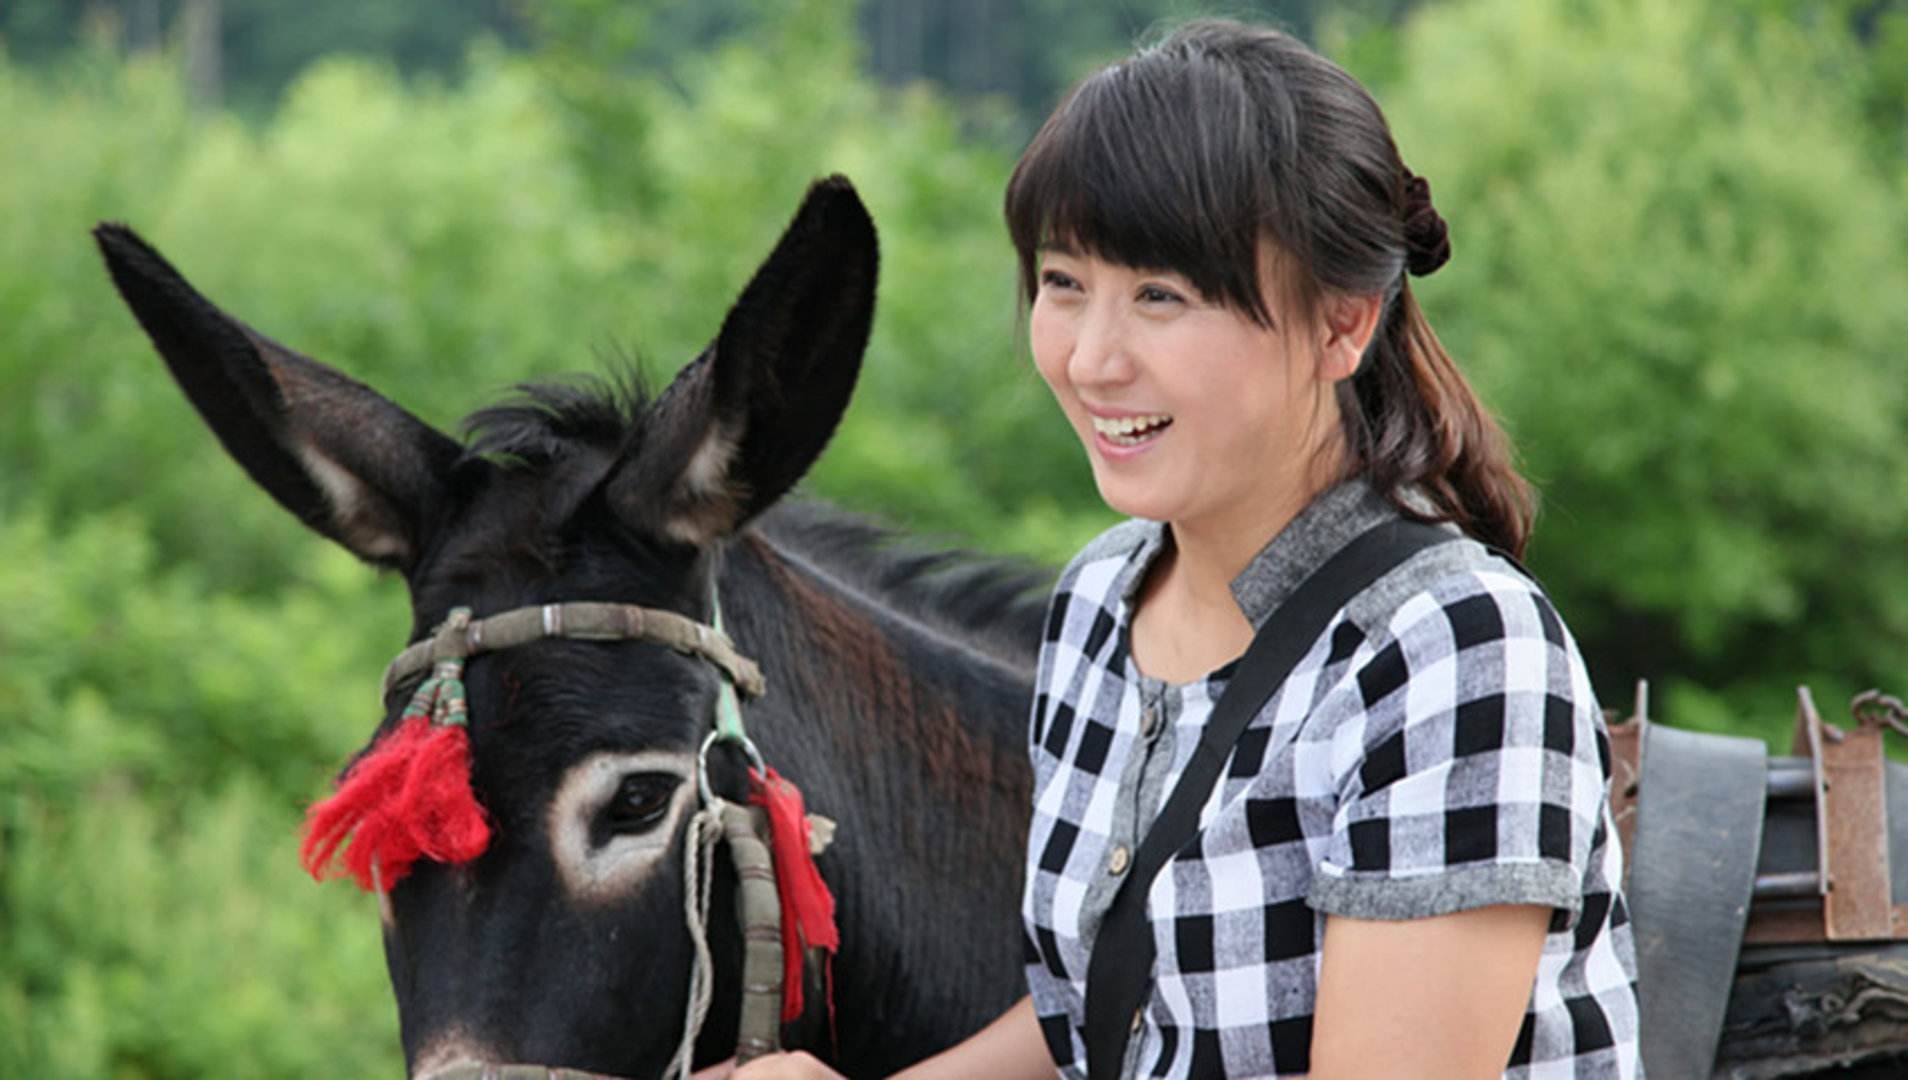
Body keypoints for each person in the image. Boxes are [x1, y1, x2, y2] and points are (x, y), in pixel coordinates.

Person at [713, 17, 1641, 1079]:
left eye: (1162, 296)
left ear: (1343, 325)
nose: (1093, 359)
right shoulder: (1103, 599)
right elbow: (1115, 1011)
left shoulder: (1454, 653)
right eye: (1064, 283)